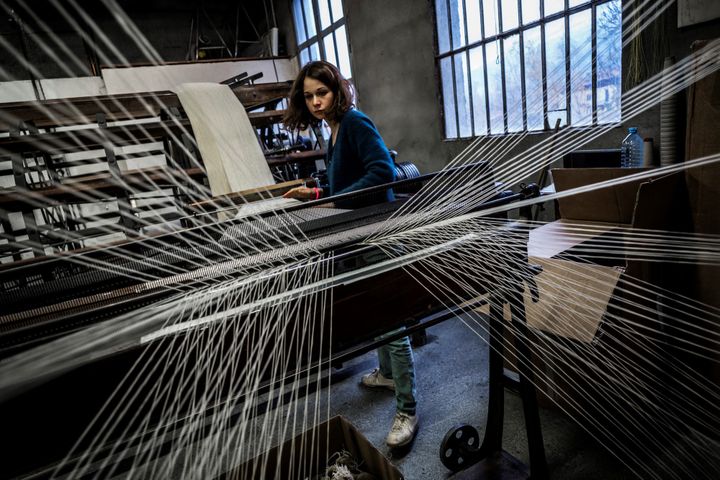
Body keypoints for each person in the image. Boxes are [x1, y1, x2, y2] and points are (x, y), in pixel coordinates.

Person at [282, 60, 419, 448]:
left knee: (393, 324)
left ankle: (407, 408)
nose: (315, 102)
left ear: (338, 90)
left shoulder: (356, 122)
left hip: (378, 233)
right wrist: (317, 194)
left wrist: (334, 200)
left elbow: (383, 172)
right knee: (377, 312)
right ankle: (387, 374)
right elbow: (344, 181)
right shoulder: (334, 131)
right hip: (357, 233)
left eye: (321, 93)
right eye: (308, 96)